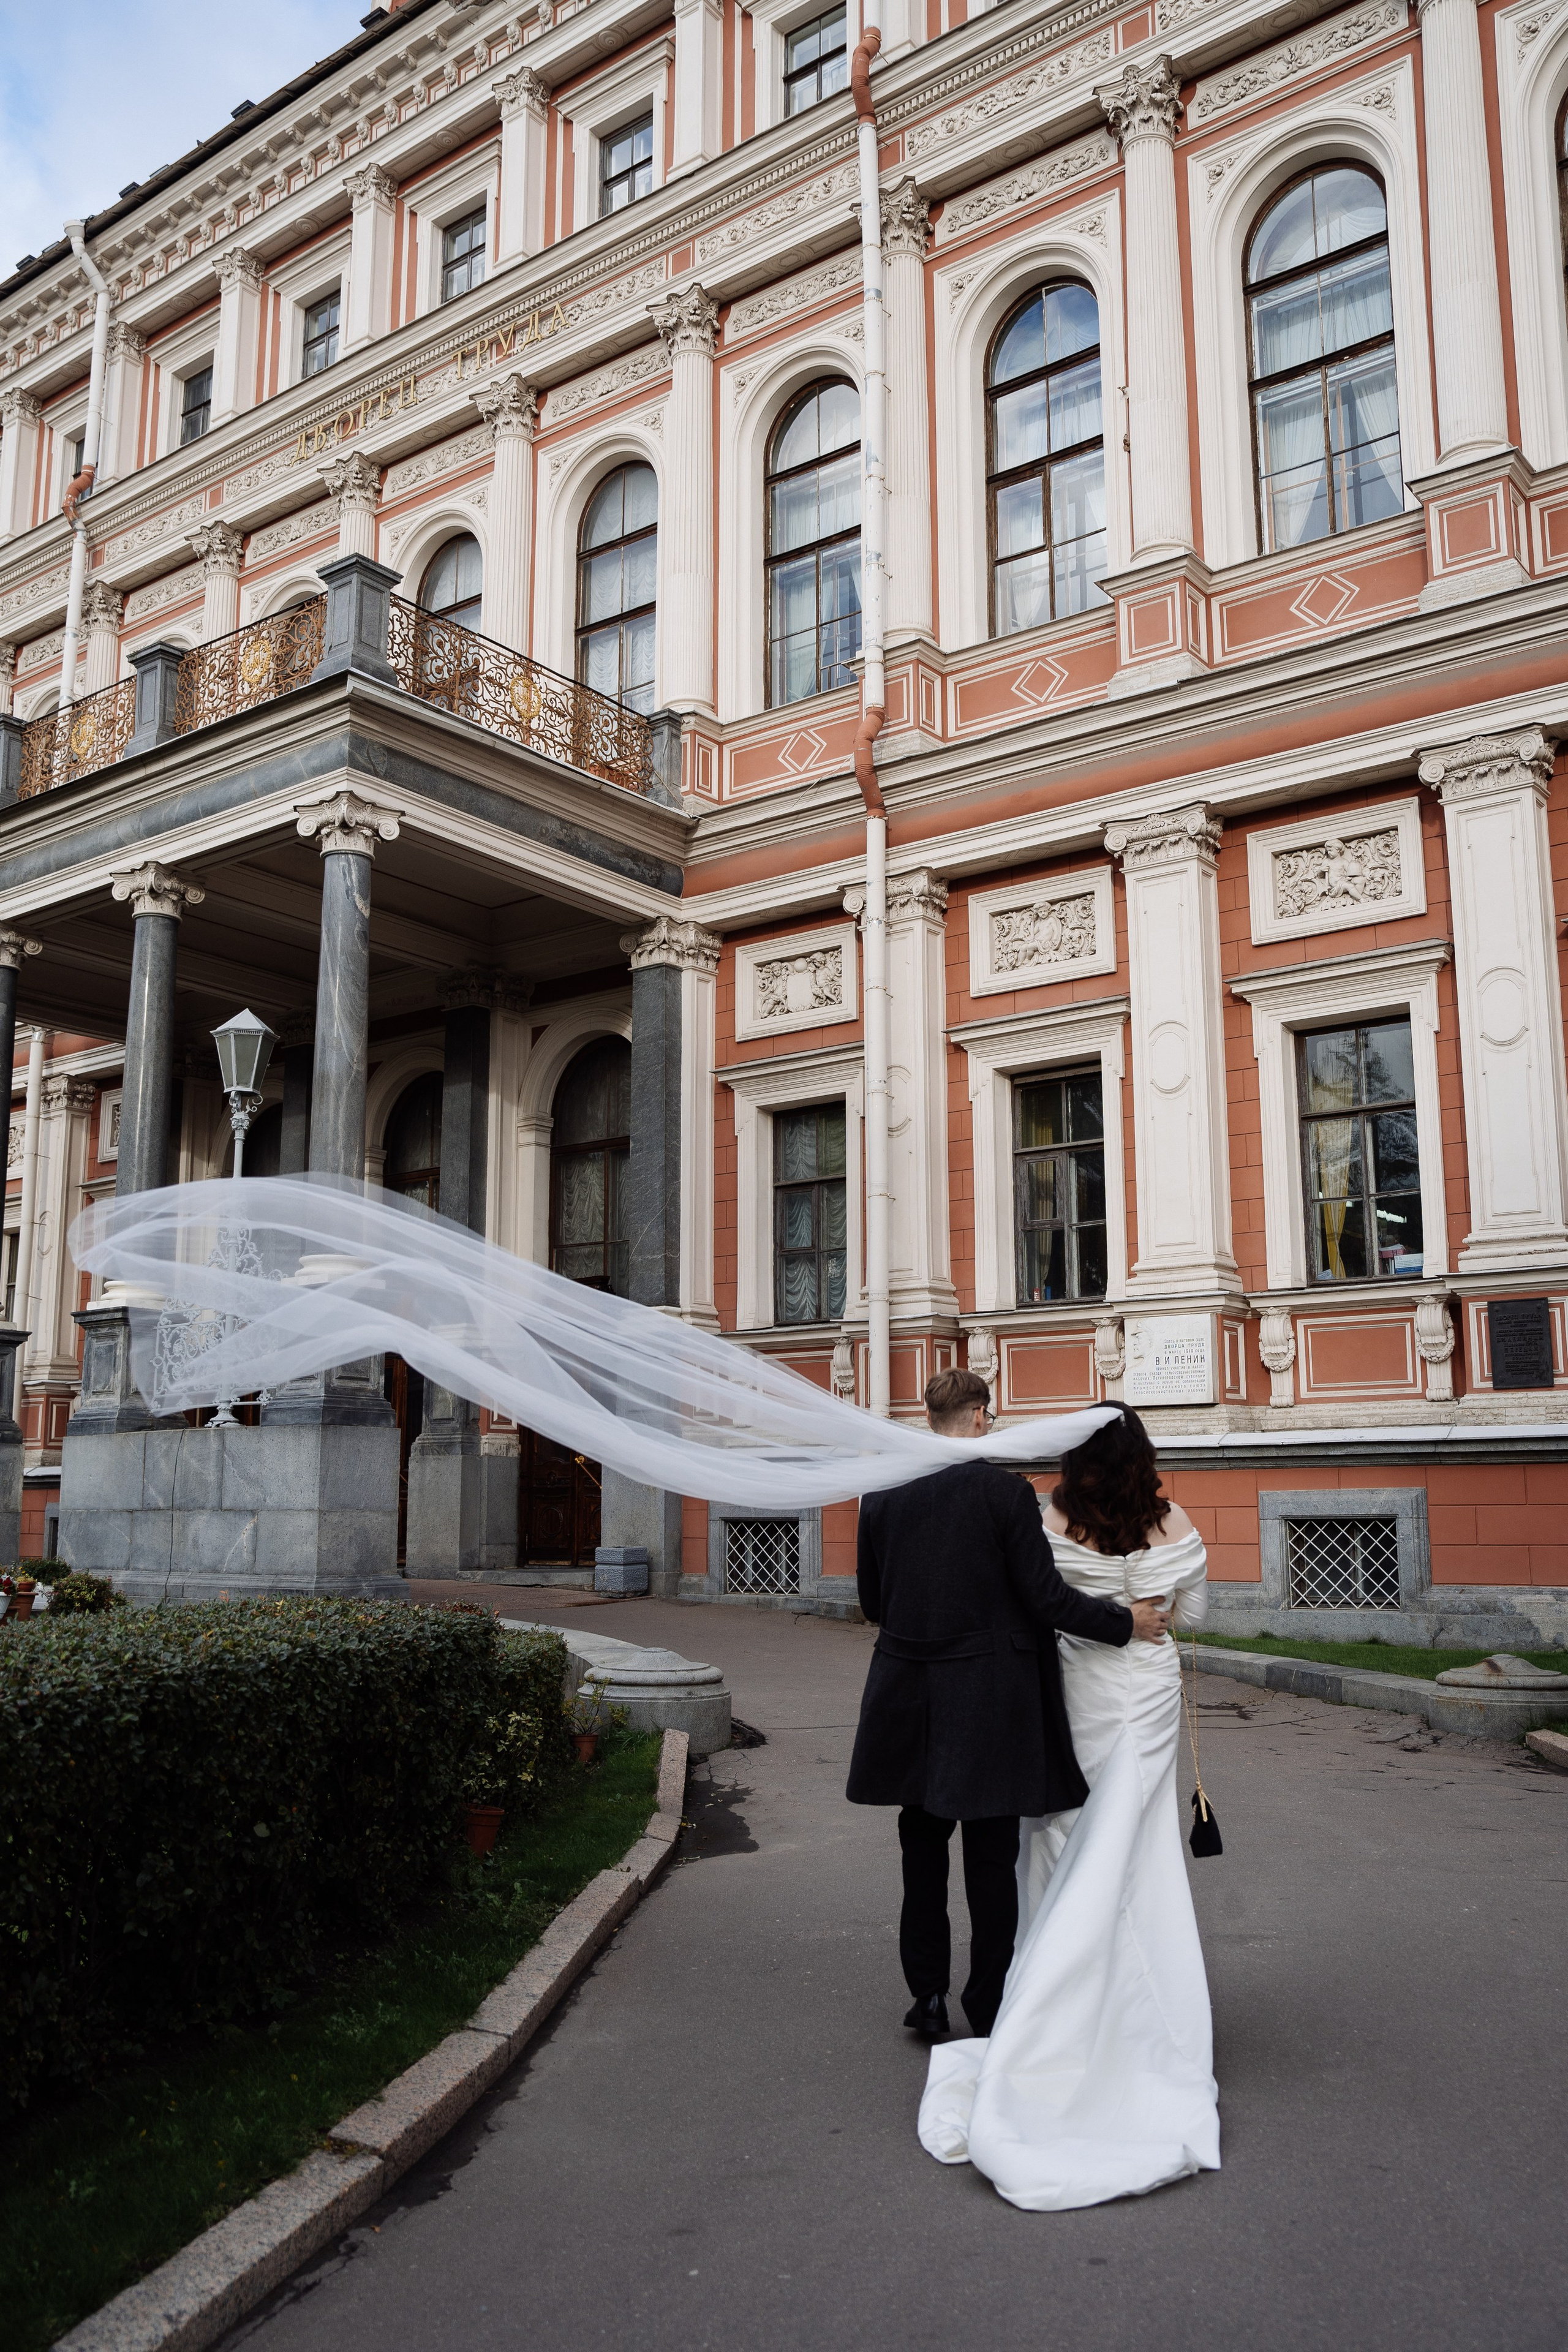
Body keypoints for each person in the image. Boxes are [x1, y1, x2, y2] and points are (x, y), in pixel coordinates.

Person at [918, 1401, 1221, 2211]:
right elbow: (1193, 1617)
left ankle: (1041, 1993)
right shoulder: (1176, 1522)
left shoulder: (1048, 1516)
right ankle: (1138, 2009)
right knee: (1140, 1847)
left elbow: (1034, 1602)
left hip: (1076, 1692)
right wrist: (1145, 1612)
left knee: (1059, 1837)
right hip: (1149, 1692)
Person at [845, 1368, 1170, 2046]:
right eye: (987, 1417)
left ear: (931, 1416)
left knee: (921, 1851)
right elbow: (1044, 1598)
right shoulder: (1003, 1495)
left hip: (908, 1696)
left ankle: (927, 1997)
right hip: (988, 1698)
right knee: (990, 1859)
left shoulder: (880, 1495)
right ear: (977, 1417)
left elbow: (874, 1604)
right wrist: (1125, 1623)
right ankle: (986, 2002)